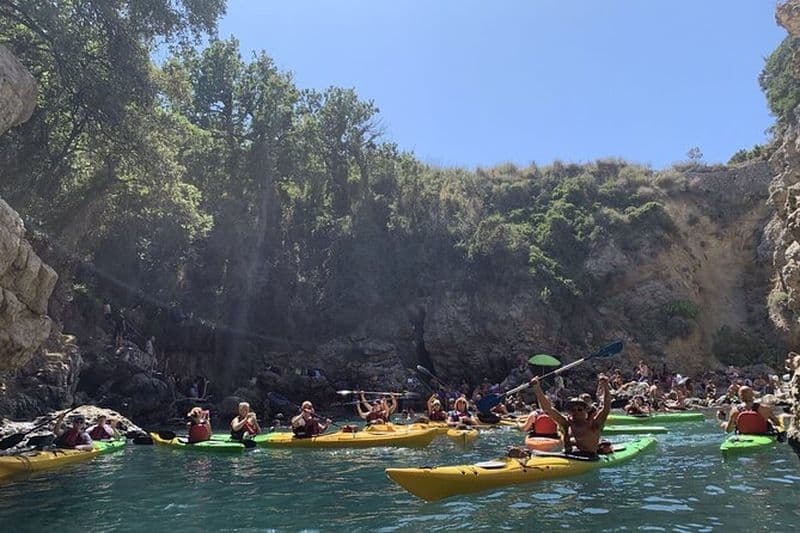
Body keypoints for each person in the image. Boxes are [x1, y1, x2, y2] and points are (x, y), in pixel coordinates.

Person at [531, 373, 612, 457]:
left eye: (579, 409)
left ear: (586, 411)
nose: (576, 412)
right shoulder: (565, 424)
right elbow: (548, 409)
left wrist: (605, 385)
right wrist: (537, 388)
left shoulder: (594, 425)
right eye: (572, 410)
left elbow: (606, 408)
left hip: (588, 457)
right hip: (567, 456)